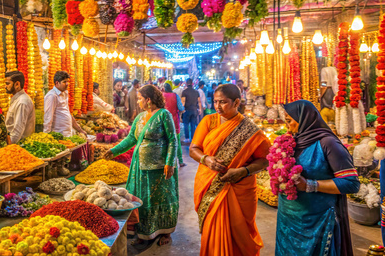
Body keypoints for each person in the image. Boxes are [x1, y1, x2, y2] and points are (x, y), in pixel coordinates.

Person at [189, 84, 270, 256]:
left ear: (236, 102)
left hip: (240, 188)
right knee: (213, 228)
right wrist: (206, 159)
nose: (217, 106)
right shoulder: (208, 121)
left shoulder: (250, 130)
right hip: (210, 184)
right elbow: (194, 148)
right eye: (215, 102)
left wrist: (243, 171)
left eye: (223, 102)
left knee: (239, 232)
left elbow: (264, 160)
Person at [276, 100, 360, 256]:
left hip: (317, 221)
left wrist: (310, 185)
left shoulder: (328, 143)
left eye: (289, 121)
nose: (286, 126)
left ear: (304, 119)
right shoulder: (291, 141)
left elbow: (351, 183)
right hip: (288, 220)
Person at [104, 85, 179, 247]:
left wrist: (169, 162)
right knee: (141, 198)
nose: (138, 102)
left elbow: (173, 140)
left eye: (139, 99)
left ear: (148, 100)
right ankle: (144, 231)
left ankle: (165, 231)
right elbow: (131, 139)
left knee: (159, 199)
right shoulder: (139, 118)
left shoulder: (163, 115)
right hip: (139, 167)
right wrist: (114, 151)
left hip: (158, 168)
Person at [44, 71, 87, 136]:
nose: (67, 84)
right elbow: (48, 117)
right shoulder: (52, 96)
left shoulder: (64, 94)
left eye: (68, 82)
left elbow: (68, 113)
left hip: (67, 134)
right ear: (57, 83)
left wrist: (80, 130)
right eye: (64, 82)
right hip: (58, 134)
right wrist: (47, 135)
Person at [5, 71, 35, 144]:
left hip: (20, 146)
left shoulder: (22, 102)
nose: (5, 86)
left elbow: (17, 132)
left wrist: (8, 147)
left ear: (17, 84)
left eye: (7, 83)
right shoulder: (17, 99)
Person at [163, 83, 186, 167]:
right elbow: (181, 108)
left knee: (165, 142)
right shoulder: (175, 96)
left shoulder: (161, 96)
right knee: (177, 142)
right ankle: (180, 161)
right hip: (174, 122)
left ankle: (166, 162)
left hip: (163, 122)